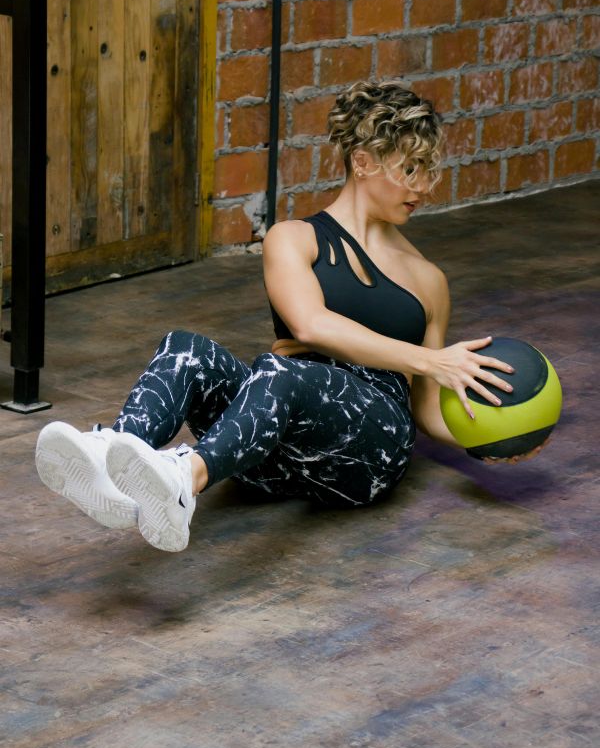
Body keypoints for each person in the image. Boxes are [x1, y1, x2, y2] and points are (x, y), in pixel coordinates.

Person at [35, 80, 544, 554]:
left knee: (283, 371)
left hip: (366, 452)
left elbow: (425, 407)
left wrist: (485, 443)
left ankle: (184, 479)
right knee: (186, 347)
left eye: (430, 171)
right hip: (271, 451)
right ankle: (112, 462)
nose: (425, 186)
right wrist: (429, 359)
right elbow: (310, 326)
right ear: (363, 162)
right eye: (411, 169)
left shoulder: (427, 279)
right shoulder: (293, 239)